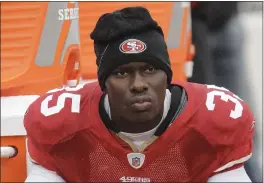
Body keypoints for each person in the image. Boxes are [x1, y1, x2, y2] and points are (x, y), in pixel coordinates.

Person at [24, 6, 255, 182]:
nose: (138, 84)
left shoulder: (215, 119)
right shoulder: (61, 123)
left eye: (150, 69)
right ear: (103, 83)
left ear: (168, 76)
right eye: (122, 73)